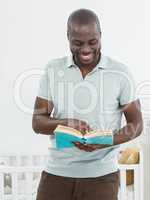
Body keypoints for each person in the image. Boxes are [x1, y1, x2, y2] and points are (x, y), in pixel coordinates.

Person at [32, 8, 143, 200]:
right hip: (57, 174)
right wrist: (67, 124)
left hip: (102, 177)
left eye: (93, 42)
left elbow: (137, 124)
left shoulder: (120, 73)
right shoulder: (53, 69)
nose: (85, 50)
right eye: (77, 43)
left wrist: (106, 141)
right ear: (67, 37)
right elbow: (38, 122)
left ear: (100, 36)